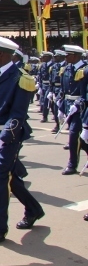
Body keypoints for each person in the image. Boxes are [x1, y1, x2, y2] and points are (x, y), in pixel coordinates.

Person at [0, 34, 44, 247]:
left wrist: (3, 137)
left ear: (3, 55)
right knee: (11, 177)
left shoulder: (20, 78)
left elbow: (18, 115)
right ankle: (33, 209)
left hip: (10, 135)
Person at [59, 44, 88, 175]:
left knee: (73, 134)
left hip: (81, 108)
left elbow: (85, 92)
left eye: (68, 55)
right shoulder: (67, 68)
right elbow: (64, 89)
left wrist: (78, 103)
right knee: (80, 138)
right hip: (69, 106)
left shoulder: (85, 70)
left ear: (75, 56)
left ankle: (72, 164)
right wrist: (60, 103)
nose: (65, 57)